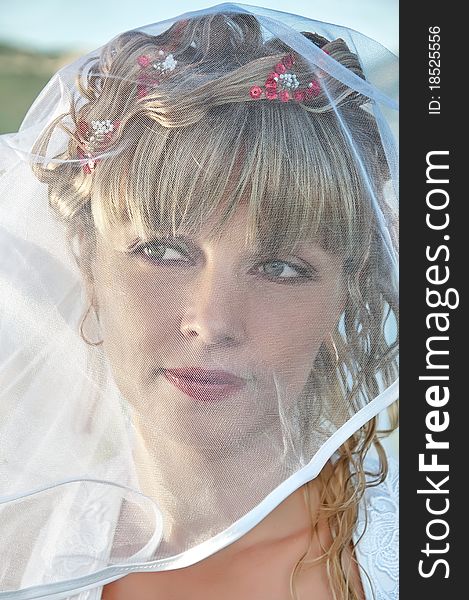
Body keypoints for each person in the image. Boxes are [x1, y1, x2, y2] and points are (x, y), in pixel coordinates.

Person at [0, 4, 399, 599]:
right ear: (90, 262)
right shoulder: (23, 563)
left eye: (281, 267)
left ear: (348, 287)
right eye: (161, 251)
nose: (211, 321)